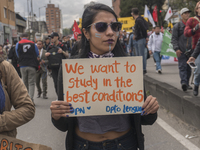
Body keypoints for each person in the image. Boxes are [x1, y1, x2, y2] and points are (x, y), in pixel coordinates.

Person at [50, 3, 159, 150]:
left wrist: (150, 109)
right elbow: (64, 125)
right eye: (101, 27)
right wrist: (56, 115)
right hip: (83, 145)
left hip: (124, 144)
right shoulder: (71, 70)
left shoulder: (129, 67)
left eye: (115, 27)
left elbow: (144, 118)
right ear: (86, 33)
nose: (110, 32)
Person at [0, 57, 35, 137]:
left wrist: (2, 122)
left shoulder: (4, 67)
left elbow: (28, 109)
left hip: (3, 142)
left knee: (31, 82)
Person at [172, 8, 192, 92]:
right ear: (181, 15)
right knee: (182, 67)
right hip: (181, 51)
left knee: (189, 69)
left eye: (188, 13)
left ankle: (187, 83)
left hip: (191, 51)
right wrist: (176, 49)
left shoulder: (192, 25)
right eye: (185, 13)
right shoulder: (178, 26)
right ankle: (184, 83)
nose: (187, 14)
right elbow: (174, 39)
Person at [15, 33, 39, 102]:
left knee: (25, 82)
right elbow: (37, 53)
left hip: (22, 65)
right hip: (32, 65)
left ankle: (26, 99)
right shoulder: (33, 44)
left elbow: (17, 54)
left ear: (20, 37)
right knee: (31, 82)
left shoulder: (18, 44)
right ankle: (31, 98)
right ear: (27, 37)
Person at [184, 1, 200, 96]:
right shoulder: (192, 20)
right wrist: (195, 28)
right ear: (197, 9)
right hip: (197, 49)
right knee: (198, 70)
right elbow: (186, 33)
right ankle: (196, 85)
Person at [131, 8, 149, 74]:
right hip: (139, 38)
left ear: (132, 14)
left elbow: (143, 29)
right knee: (139, 55)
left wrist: (144, 36)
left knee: (141, 55)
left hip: (140, 38)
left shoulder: (139, 20)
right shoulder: (140, 19)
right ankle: (141, 68)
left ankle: (143, 69)